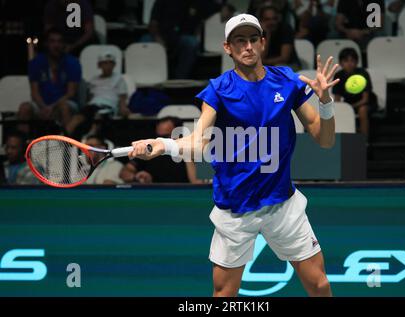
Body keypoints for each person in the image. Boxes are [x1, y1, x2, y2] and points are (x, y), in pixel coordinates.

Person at [129, 14, 340, 296]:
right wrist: (162, 145)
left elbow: (325, 140)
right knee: (224, 294)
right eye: (240, 41)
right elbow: (198, 141)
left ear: (263, 43)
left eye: (253, 39)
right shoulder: (219, 89)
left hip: (282, 203)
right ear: (228, 47)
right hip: (236, 206)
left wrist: (325, 102)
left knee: (320, 284)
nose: (248, 47)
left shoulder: (286, 81)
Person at [17, 28, 81, 135]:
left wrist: (52, 107)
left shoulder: (73, 63)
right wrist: (43, 107)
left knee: (64, 107)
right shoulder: (36, 62)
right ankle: (23, 145)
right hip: (42, 104)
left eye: (59, 41)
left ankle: (68, 145)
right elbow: (34, 92)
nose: (56, 45)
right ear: (46, 44)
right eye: (52, 41)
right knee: (24, 108)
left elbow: (71, 93)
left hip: (64, 104)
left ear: (64, 44)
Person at [146, 0, 220, 79]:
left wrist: (228, 8)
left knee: (192, 43)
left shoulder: (196, 3)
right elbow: (153, 23)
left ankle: (180, 79)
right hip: (161, 36)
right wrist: (158, 38)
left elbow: (217, 7)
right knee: (145, 42)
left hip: (181, 38)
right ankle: (149, 79)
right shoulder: (161, 2)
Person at [66, 51, 130, 138]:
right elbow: (89, 97)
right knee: (77, 119)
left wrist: (123, 109)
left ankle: (89, 140)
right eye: (105, 63)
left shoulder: (119, 79)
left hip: (108, 107)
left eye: (110, 63)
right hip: (92, 106)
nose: (108, 66)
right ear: (99, 65)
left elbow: (122, 98)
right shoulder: (93, 80)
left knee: (98, 120)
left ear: (114, 65)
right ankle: (62, 140)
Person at [120, 117, 201, 184]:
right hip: (152, 196)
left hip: (184, 196)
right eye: (158, 136)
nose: (161, 140)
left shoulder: (198, 150)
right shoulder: (149, 149)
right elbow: (124, 173)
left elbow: (200, 185)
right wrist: (137, 177)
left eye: (165, 136)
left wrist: (186, 154)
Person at [332, 48, 377, 137]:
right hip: (349, 103)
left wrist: (350, 107)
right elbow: (337, 99)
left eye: (352, 61)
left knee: (362, 110)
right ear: (341, 63)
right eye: (346, 61)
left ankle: (364, 141)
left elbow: (365, 99)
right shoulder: (338, 75)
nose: (349, 64)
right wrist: (343, 108)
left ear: (356, 62)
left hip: (366, 103)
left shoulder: (363, 73)